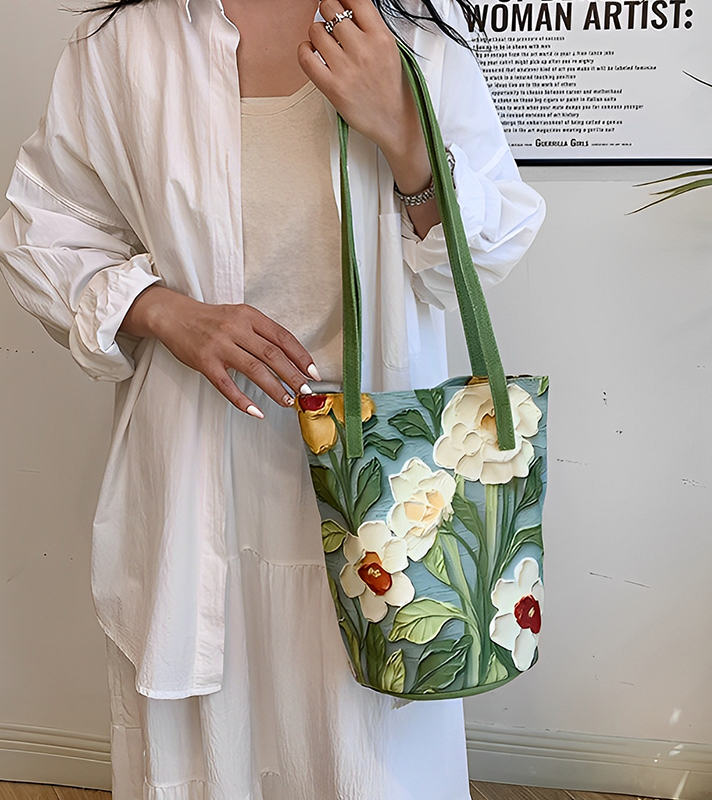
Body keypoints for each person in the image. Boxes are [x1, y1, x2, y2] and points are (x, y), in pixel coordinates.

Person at [0, 0, 545, 797]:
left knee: (371, 761)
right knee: (204, 758)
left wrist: (407, 137)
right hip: (196, 476)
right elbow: (43, 230)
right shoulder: (128, 41)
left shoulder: (412, 33)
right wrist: (165, 312)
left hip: (382, 492)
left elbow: (484, 253)